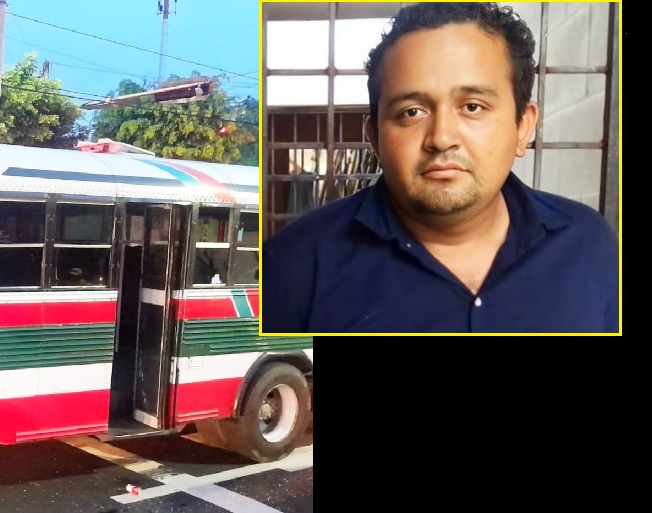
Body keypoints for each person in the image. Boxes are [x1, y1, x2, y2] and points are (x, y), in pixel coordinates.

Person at [260, 2, 619, 334]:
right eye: (411, 112)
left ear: (523, 126)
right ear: (374, 137)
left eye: (473, 106)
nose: (442, 137)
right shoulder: (294, 268)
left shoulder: (590, 246)